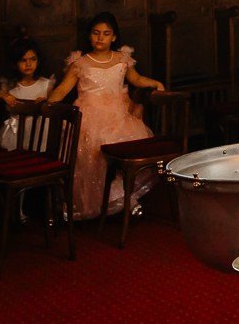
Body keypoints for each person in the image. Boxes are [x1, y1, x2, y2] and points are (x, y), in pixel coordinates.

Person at [57, 13, 165, 219]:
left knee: (123, 145)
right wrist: (47, 102)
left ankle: (123, 197)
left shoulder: (122, 59)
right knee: (91, 152)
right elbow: (62, 90)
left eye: (106, 34)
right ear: (90, 36)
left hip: (118, 116)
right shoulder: (80, 62)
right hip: (88, 116)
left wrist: (155, 83)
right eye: (96, 33)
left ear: (114, 37)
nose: (100, 38)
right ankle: (95, 202)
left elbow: (137, 79)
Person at [0, 38, 53, 150]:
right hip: (15, 133)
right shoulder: (9, 85)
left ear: (38, 60)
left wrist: (45, 103)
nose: (28, 64)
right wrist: (2, 96)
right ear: (14, 63)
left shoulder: (46, 84)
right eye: (23, 60)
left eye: (33, 59)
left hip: (39, 133)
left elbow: (54, 108)